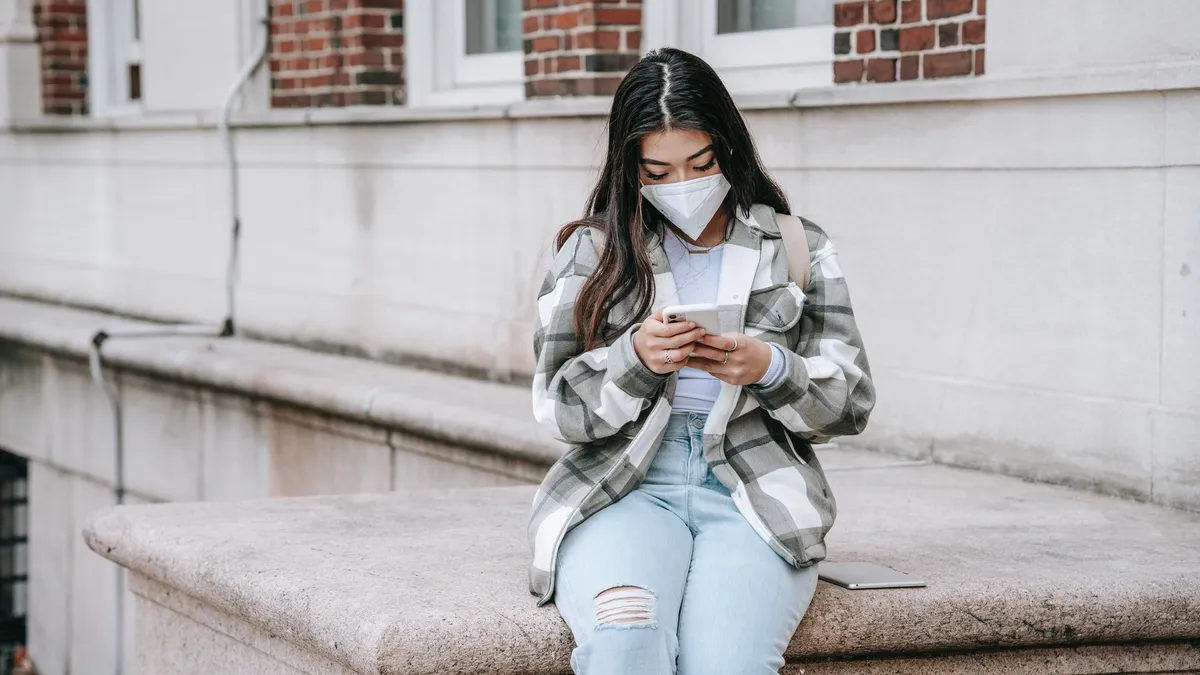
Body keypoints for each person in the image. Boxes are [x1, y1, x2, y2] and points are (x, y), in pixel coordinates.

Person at [527, 47, 875, 675]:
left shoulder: (797, 245)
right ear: (628, 165)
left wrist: (769, 368)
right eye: (656, 170)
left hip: (754, 487)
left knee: (728, 664)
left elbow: (849, 402)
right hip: (623, 485)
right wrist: (633, 359)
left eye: (700, 162)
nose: (681, 185)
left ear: (727, 148)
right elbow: (557, 408)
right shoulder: (593, 253)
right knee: (627, 635)